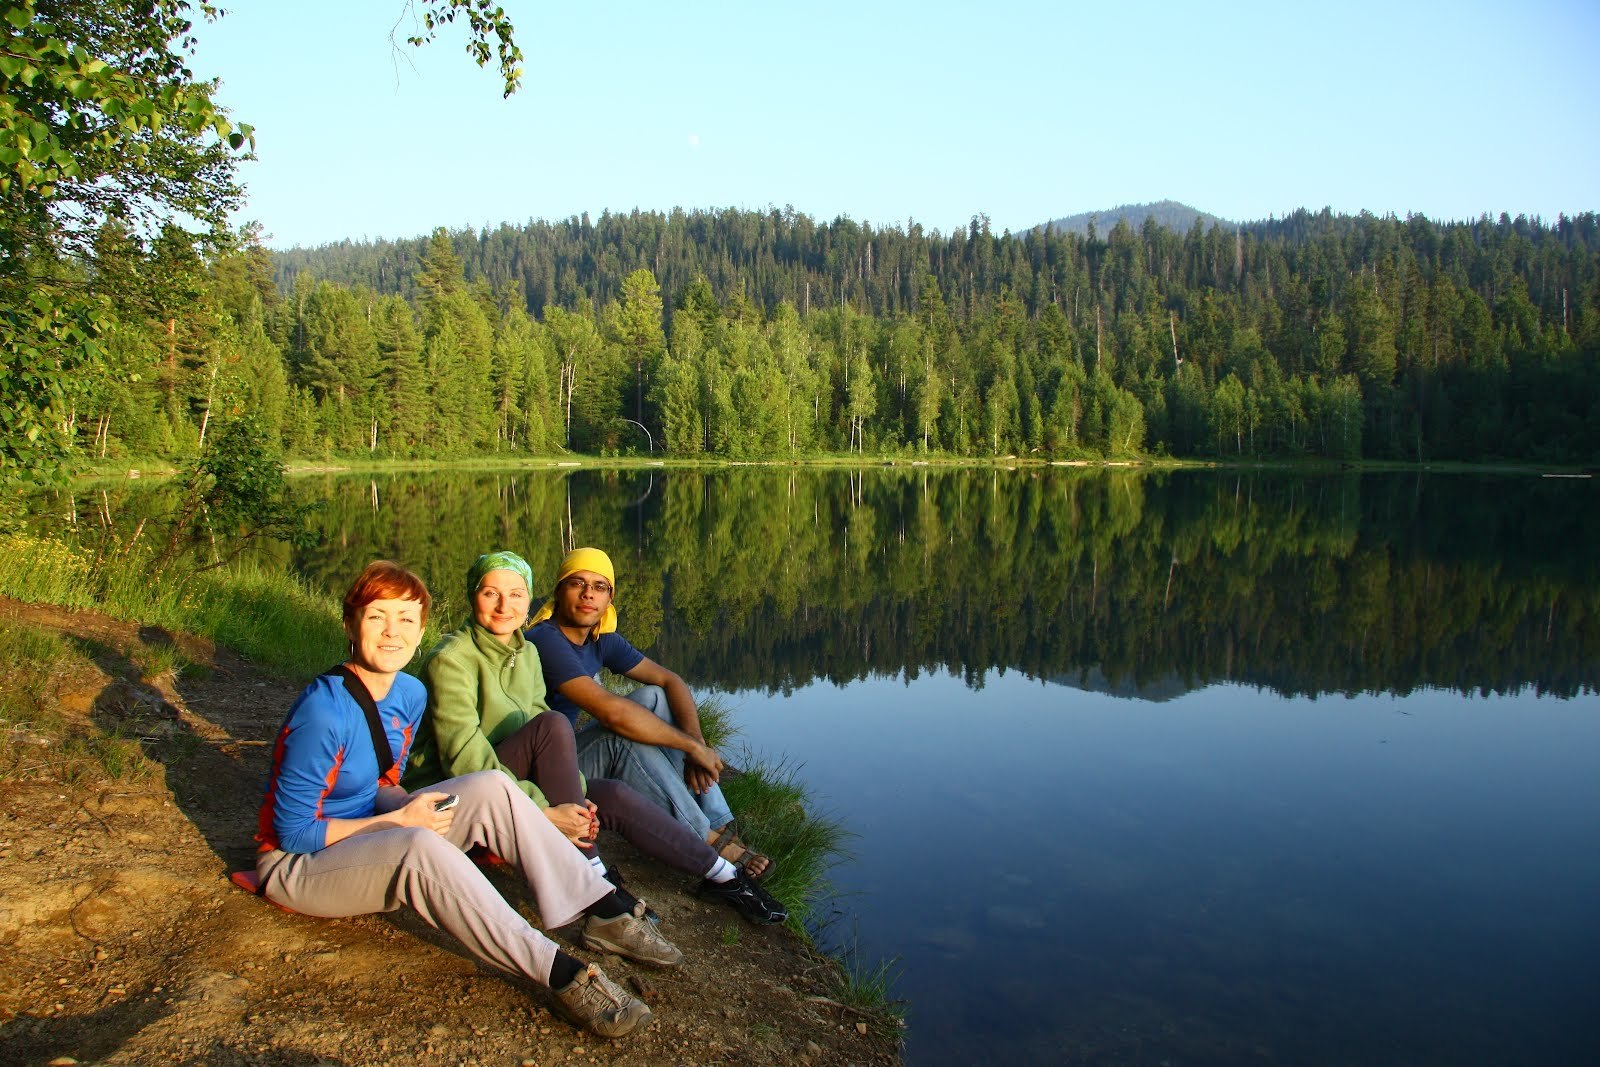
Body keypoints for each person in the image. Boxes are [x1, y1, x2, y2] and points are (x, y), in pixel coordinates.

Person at [251, 560, 670, 1040]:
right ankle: (561, 974)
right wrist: (399, 823)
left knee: (492, 786)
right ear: (351, 623)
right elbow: (293, 834)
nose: (392, 633)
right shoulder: (323, 712)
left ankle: (600, 907)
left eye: (406, 619)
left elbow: (381, 784)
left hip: (369, 833)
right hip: (299, 866)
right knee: (418, 846)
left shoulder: (407, 692)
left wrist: (412, 807)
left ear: (421, 626)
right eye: (376, 618)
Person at [404, 551, 786, 925]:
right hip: (457, 801)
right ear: (474, 595)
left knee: (612, 793)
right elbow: (466, 763)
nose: (505, 605)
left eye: (516, 594)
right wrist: (546, 809)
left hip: (520, 773)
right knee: (561, 727)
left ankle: (723, 875)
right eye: (491, 593)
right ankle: (596, 884)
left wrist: (577, 793)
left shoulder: (525, 653)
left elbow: (669, 681)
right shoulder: (457, 658)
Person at [527, 547, 772, 881]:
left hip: (568, 754)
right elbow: (611, 713)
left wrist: (696, 743)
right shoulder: (545, 638)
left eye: (599, 587)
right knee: (620, 738)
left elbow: (670, 680)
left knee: (655, 697)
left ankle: (719, 822)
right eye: (577, 583)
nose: (588, 594)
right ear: (558, 591)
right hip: (540, 774)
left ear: (609, 597)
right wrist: (689, 747)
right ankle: (707, 840)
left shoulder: (600, 640)